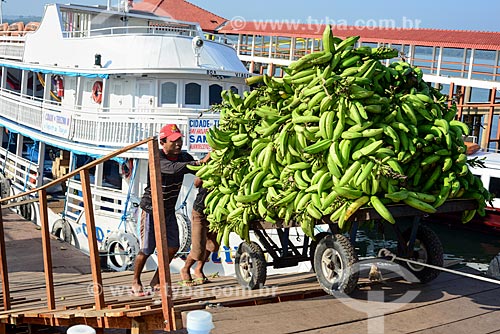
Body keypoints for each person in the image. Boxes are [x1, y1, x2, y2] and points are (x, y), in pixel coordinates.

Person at [131, 124, 208, 296]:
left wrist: (201, 171)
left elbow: (196, 168)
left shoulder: (183, 156)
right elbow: (172, 169)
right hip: (151, 209)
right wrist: (197, 163)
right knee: (146, 249)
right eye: (173, 141)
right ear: (163, 142)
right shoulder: (157, 157)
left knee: (173, 247)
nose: (178, 144)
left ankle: (156, 279)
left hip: (168, 210)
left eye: (179, 140)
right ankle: (135, 281)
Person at [179, 175, 219, 286]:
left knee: (213, 245)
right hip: (200, 211)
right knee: (198, 248)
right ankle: (185, 269)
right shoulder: (209, 166)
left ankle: (199, 269)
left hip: (216, 212)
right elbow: (196, 183)